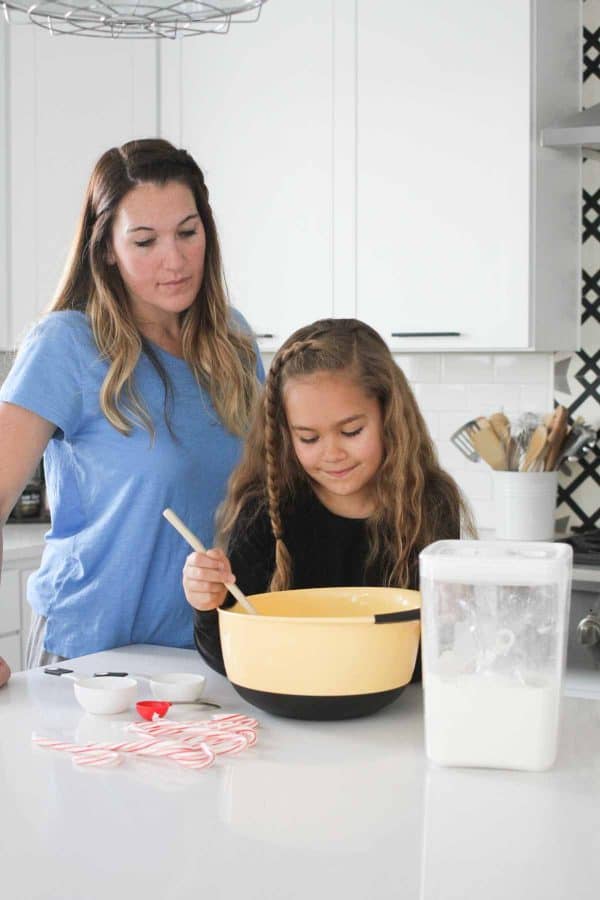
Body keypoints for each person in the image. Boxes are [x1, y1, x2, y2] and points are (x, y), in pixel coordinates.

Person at [0, 138, 263, 678]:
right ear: (106, 249)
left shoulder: (235, 342)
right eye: (144, 241)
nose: (175, 259)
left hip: (210, 660)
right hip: (88, 662)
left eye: (188, 232)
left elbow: (263, 497)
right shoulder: (66, 346)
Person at [184, 318, 474, 677]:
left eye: (351, 431)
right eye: (308, 438)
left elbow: (431, 657)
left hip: (391, 718)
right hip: (290, 715)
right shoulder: (267, 507)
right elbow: (229, 659)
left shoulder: (428, 502)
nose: (332, 453)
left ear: (390, 416)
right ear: (286, 435)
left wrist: (450, 621)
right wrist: (208, 604)